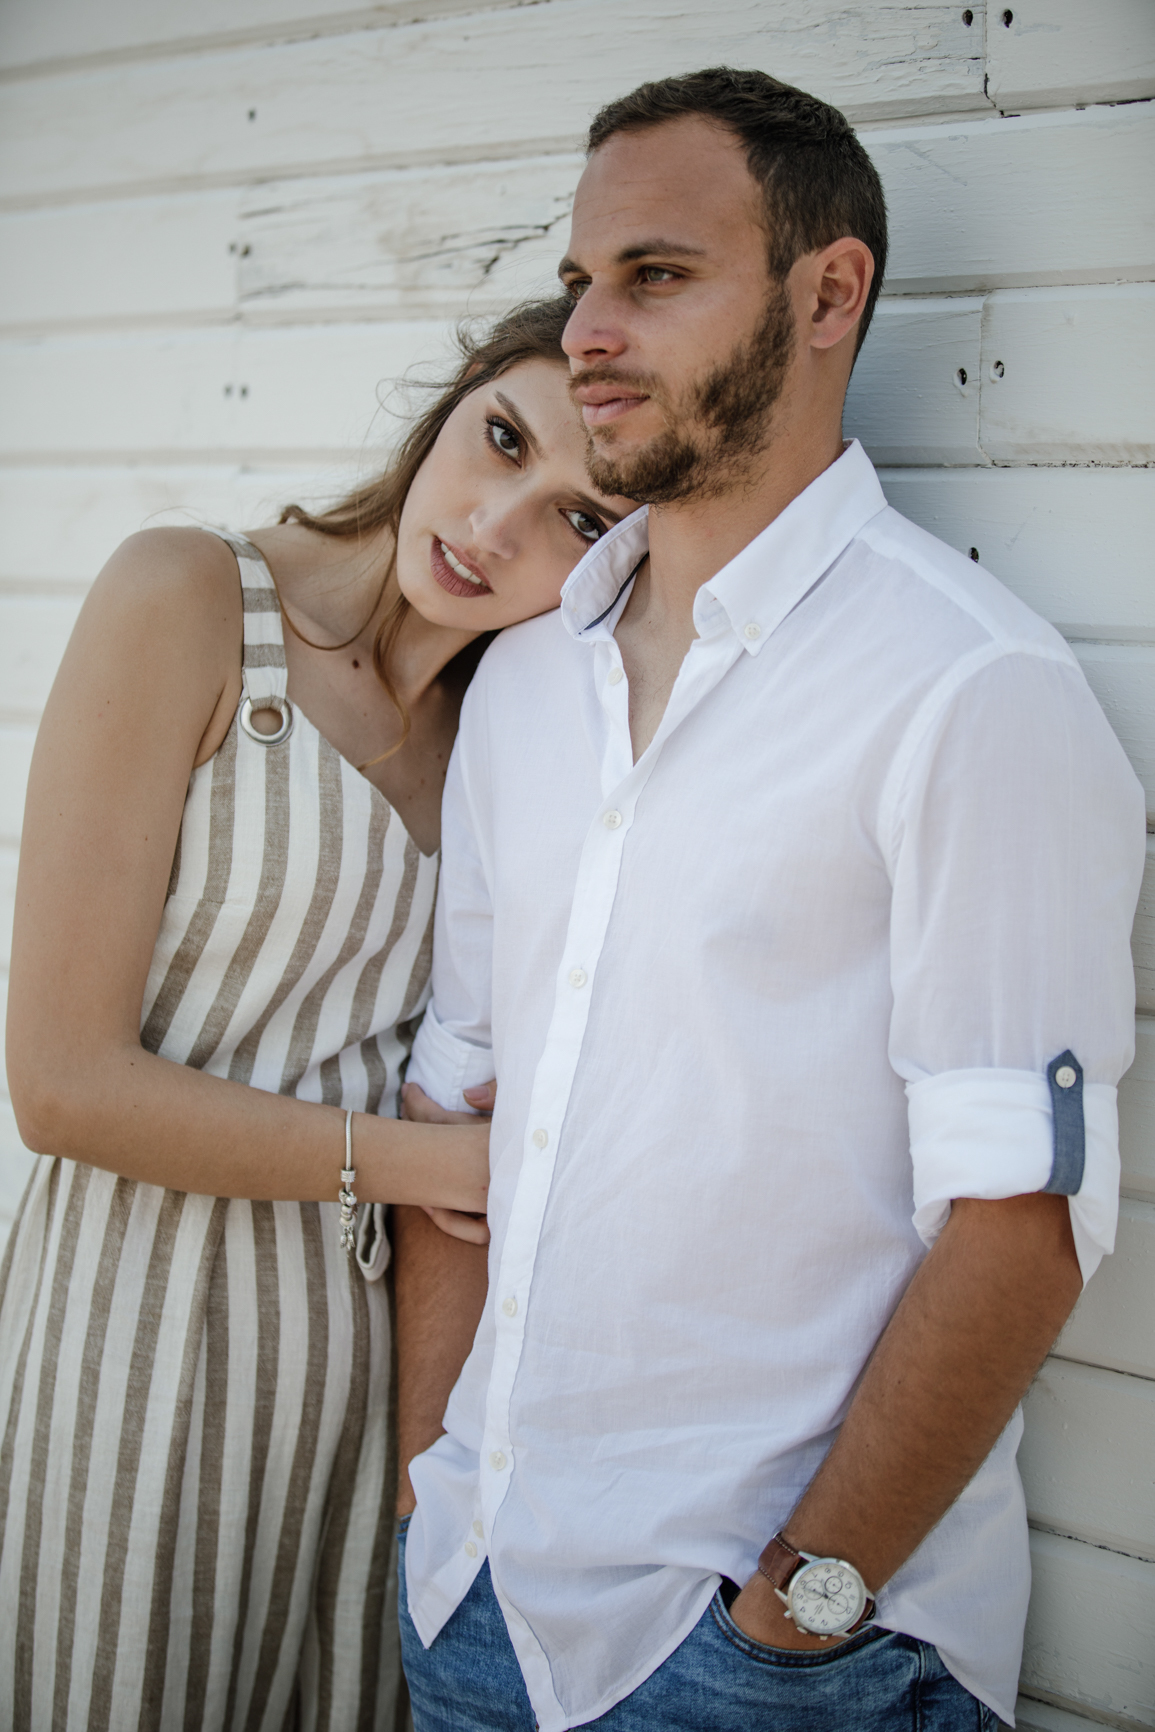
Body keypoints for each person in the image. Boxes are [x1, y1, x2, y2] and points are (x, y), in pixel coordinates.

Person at [395, 68, 1147, 1732]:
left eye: (655, 277)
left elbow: (1025, 1225)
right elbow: (455, 1105)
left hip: (779, 1661)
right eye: (584, 278)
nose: (589, 326)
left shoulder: (969, 693)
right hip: (477, 1608)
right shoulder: (528, 688)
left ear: (829, 293)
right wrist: (424, 1493)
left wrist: (798, 1612)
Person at [0, 297, 633, 1732]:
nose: (496, 521)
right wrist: (424, 1167)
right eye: (502, 439)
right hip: (134, 1330)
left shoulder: (512, 738)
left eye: (581, 522)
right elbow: (59, 1082)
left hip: (354, 1370)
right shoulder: (190, 601)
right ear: (456, 399)